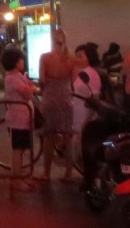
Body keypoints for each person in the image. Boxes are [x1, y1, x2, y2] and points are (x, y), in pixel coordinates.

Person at [37, 28, 76, 181]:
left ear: (52, 40)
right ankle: (68, 173)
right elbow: (74, 80)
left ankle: (46, 172)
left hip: (50, 98)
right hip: (66, 98)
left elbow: (42, 80)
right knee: (67, 136)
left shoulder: (45, 58)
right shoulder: (72, 58)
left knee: (49, 136)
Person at [1, 46, 37, 192]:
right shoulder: (12, 78)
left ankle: (18, 177)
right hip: (18, 119)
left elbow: (29, 88)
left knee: (20, 149)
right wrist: (32, 88)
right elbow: (28, 93)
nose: (23, 61)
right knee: (18, 149)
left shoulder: (17, 76)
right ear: (16, 62)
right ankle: (15, 179)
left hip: (22, 118)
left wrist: (31, 88)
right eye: (21, 59)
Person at [71, 42, 105, 183]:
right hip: (78, 114)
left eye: (81, 56)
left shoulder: (92, 74)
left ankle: (91, 180)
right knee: (78, 149)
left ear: (89, 58)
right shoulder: (82, 73)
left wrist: (87, 120)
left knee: (82, 150)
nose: (77, 58)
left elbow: (94, 99)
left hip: (86, 116)